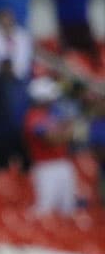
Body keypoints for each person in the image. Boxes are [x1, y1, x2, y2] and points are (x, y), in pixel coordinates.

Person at [24, 77, 77, 216]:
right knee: (45, 210)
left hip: (63, 163)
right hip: (45, 167)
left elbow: (70, 131)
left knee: (68, 209)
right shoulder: (33, 117)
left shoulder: (53, 112)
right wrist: (65, 132)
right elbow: (52, 139)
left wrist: (64, 132)